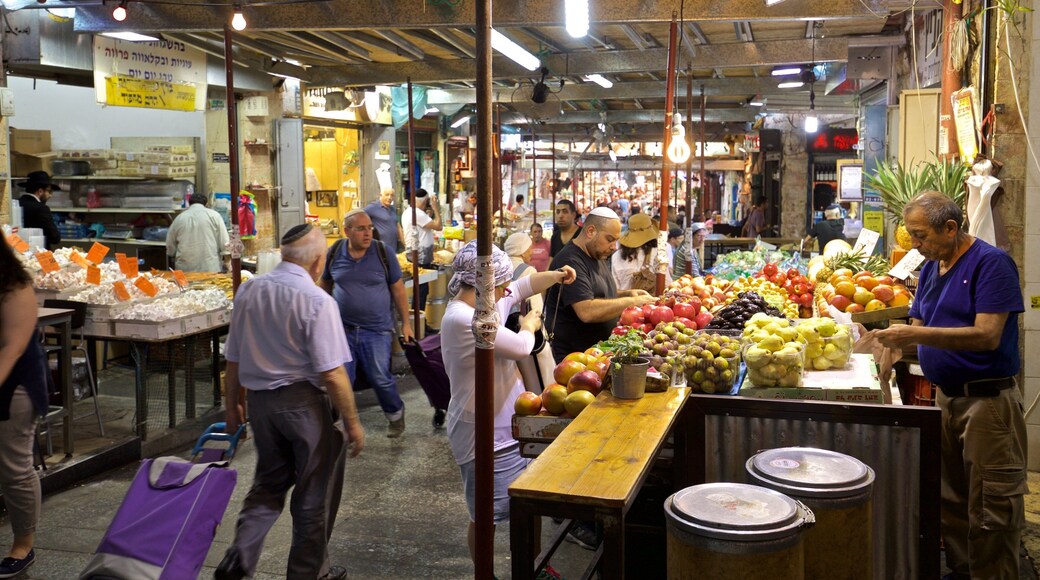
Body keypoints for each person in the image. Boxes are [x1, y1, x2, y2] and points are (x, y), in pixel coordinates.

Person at [875, 191, 1026, 580]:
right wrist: (885, 343)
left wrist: (914, 339)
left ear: (951, 228)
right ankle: (961, 571)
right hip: (946, 400)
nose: (916, 245)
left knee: (992, 508)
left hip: (987, 404)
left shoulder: (992, 265)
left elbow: (987, 334)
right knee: (952, 501)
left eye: (921, 236)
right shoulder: (930, 268)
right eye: (911, 236)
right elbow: (919, 328)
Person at [216, 224, 365, 580]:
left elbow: (233, 358)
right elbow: (332, 374)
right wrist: (353, 422)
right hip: (303, 406)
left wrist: (232, 404)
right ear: (318, 262)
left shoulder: (249, 290)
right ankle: (307, 573)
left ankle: (241, 555)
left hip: (262, 406)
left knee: (267, 484)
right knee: (313, 496)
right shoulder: (316, 300)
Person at [440, 240, 575, 573]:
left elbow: (522, 285)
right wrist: (529, 325)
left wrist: (555, 276)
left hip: (511, 420)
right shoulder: (464, 318)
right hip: (481, 431)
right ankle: (485, 572)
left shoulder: (488, 302)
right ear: (484, 283)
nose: (505, 292)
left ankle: (534, 567)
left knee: (527, 505)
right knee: (486, 516)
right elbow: (519, 346)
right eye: (499, 285)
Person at [320, 209, 411, 438]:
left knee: (380, 377)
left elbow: (398, 290)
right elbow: (324, 285)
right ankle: (341, 425)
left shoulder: (383, 252)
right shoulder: (335, 252)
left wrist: (406, 324)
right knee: (342, 379)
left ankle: (395, 415)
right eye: (361, 228)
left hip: (377, 329)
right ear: (347, 231)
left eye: (370, 227)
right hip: (343, 330)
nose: (368, 233)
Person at [545, 207, 657, 363]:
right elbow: (586, 310)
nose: (614, 246)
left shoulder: (596, 254)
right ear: (591, 231)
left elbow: (599, 293)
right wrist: (631, 302)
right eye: (610, 239)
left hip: (596, 356)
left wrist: (627, 294)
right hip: (575, 361)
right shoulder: (570, 261)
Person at [0, 235, 48, 579]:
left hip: (15, 385)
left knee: (13, 467)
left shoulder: (15, 286)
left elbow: (13, 348)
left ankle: (23, 545)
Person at [166, 192, 231, 273]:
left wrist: (173, 253)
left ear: (189, 203)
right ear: (206, 204)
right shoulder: (214, 216)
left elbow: (170, 247)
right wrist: (227, 262)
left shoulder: (179, 218)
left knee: (186, 286)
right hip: (210, 268)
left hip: (185, 269)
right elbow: (225, 242)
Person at [611, 213, 670, 293]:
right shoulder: (658, 253)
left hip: (625, 302)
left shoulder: (616, 256)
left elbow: (615, 287)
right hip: (651, 303)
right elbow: (667, 283)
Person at [17, 171, 61, 250]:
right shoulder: (41, 208)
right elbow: (55, 238)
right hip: (38, 254)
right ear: (40, 191)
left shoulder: (16, 204)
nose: (50, 195)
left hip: (19, 251)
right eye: (49, 191)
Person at [401, 188, 443, 267]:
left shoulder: (407, 212)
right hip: (421, 253)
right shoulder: (418, 213)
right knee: (423, 278)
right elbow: (439, 226)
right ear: (425, 201)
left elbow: (421, 226)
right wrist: (435, 208)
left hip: (415, 251)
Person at [364, 187, 404, 252]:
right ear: (381, 195)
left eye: (392, 195)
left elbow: (398, 227)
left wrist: (405, 244)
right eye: (387, 194)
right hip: (380, 249)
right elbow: (359, 215)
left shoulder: (393, 209)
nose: (389, 197)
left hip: (392, 248)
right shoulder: (373, 207)